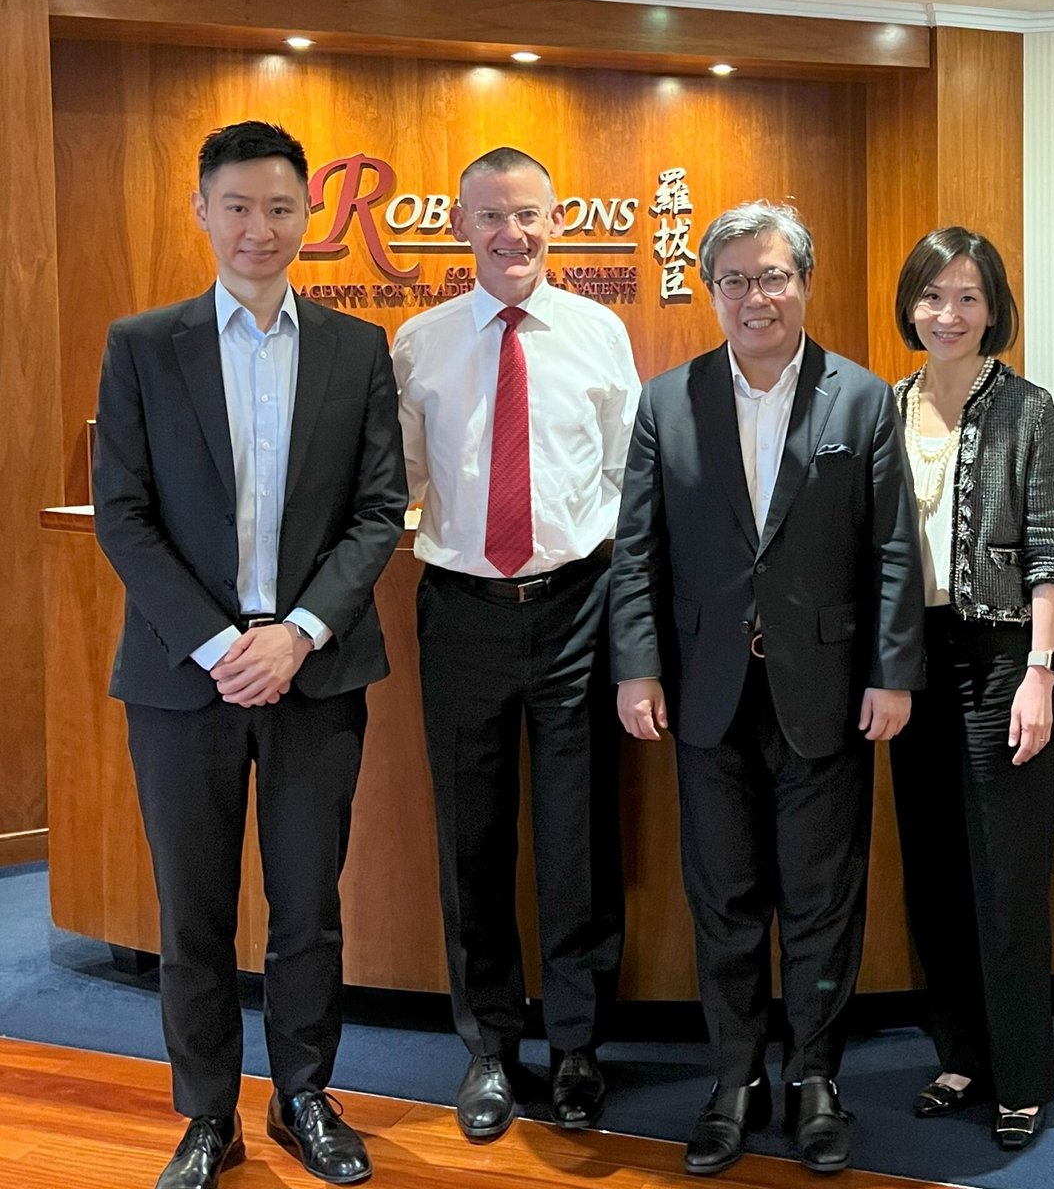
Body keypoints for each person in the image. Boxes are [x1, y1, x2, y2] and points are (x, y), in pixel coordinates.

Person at [92, 120, 408, 1189]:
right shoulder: (144, 345)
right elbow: (123, 513)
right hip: (183, 676)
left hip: (316, 671)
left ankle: (304, 1097)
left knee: (309, 905)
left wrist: (298, 632)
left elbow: (378, 510)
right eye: (237, 206)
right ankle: (207, 1116)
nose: (258, 228)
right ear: (202, 211)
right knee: (194, 911)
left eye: (279, 207)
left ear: (308, 214)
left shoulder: (356, 349)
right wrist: (226, 644)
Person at [610, 201, 923, 1176]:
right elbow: (636, 551)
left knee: (823, 900)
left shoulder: (860, 399)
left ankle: (816, 1079)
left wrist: (892, 673)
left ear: (805, 284)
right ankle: (735, 1081)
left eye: (774, 276)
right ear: (712, 291)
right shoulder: (667, 402)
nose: (756, 296)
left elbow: (893, 548)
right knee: (726, 899)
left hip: (826, 690)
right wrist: (636, 665)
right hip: (705, 692)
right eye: (736, 279)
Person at [393, 147, 637, 1138]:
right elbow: (397, 483)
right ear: (462, 227)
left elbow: (626, 483)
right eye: (491, 216)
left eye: (528, 214)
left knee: (579, 837)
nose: (512, 234)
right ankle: (489, 1048)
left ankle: (577, 1046)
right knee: (472, 839)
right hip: (460, 610)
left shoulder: (599, 333)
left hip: (577, 604)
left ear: (556, 221)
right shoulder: (419, 342)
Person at [883, 227, 1054, 1150]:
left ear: (993, 308)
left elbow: (1050, 548)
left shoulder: (1026, 408)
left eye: (967, 296)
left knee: (1007, 871)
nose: (947, 314)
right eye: (932, 295)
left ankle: (1021, 1074)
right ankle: (958, 1053)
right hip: (909, 661)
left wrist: (1040, 670)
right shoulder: (885, 405)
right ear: (909, 306)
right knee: (933, 870)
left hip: (1002, 657)